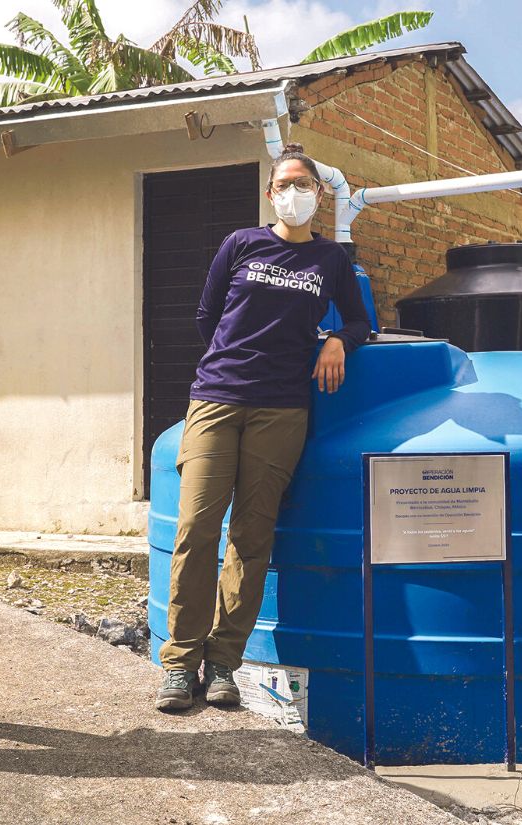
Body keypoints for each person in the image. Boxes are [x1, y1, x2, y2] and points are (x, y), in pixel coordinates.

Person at [155, 143, 371, 712]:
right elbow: (207, 315)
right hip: (218, 399)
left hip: (282, 408)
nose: (294, 192)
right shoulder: (241, 244)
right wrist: (234, 359)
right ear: (271, 192)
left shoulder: (330, 261)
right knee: (196, 529)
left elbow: (359, 320)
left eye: (305, 184)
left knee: (251, 539)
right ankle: (179, 663)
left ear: (320, 196)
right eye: (284, 184)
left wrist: (334, 340)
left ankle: (223, 662)